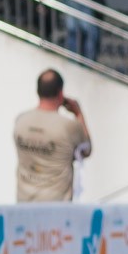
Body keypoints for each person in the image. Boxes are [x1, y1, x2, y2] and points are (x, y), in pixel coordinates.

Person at [13, 70, 91, 202]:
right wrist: (78, 114)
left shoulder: (20, 121)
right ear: (61, 94)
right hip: (56, 210)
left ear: (38, 91)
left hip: (24, 205)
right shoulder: (69, 126)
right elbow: (86, 150)